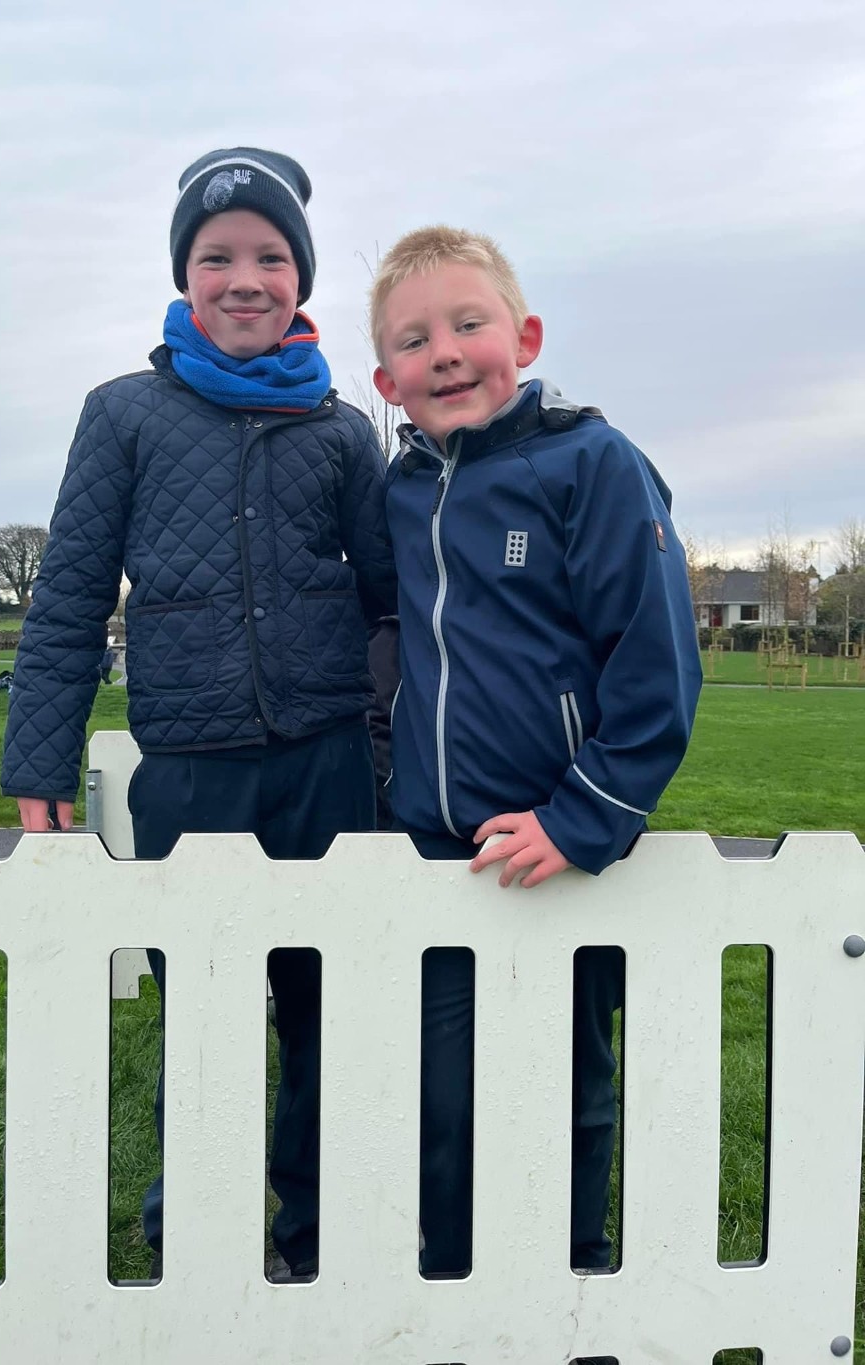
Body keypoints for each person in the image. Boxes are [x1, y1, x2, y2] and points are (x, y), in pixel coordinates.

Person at [1, 147, 396, 1281]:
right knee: (207, 1011)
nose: (244, 279)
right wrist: (40, 760)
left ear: (300, 279)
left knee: (326, 1012)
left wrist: (382, 741)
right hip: (190, 768)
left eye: (271, 257)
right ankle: (196, 1237)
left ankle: (314, 1234)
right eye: (217, 256)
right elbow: (70, 595)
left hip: (327, 764)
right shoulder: (122, 414)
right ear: (184, 275)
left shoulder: (340, 427)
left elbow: (390, 602)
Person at [370, 226, 701, 1304]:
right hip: (437, 851)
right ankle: (449, 1288)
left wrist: (578, 818)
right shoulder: (400, 491)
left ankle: (570, 1293)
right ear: (386, 382)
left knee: (565, 1082)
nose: (445, 352)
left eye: (468, 324)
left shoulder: (591, 465)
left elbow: (655, 664)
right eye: (413, 340)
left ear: (526, 337)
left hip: (557, 845)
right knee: (441, 1091)